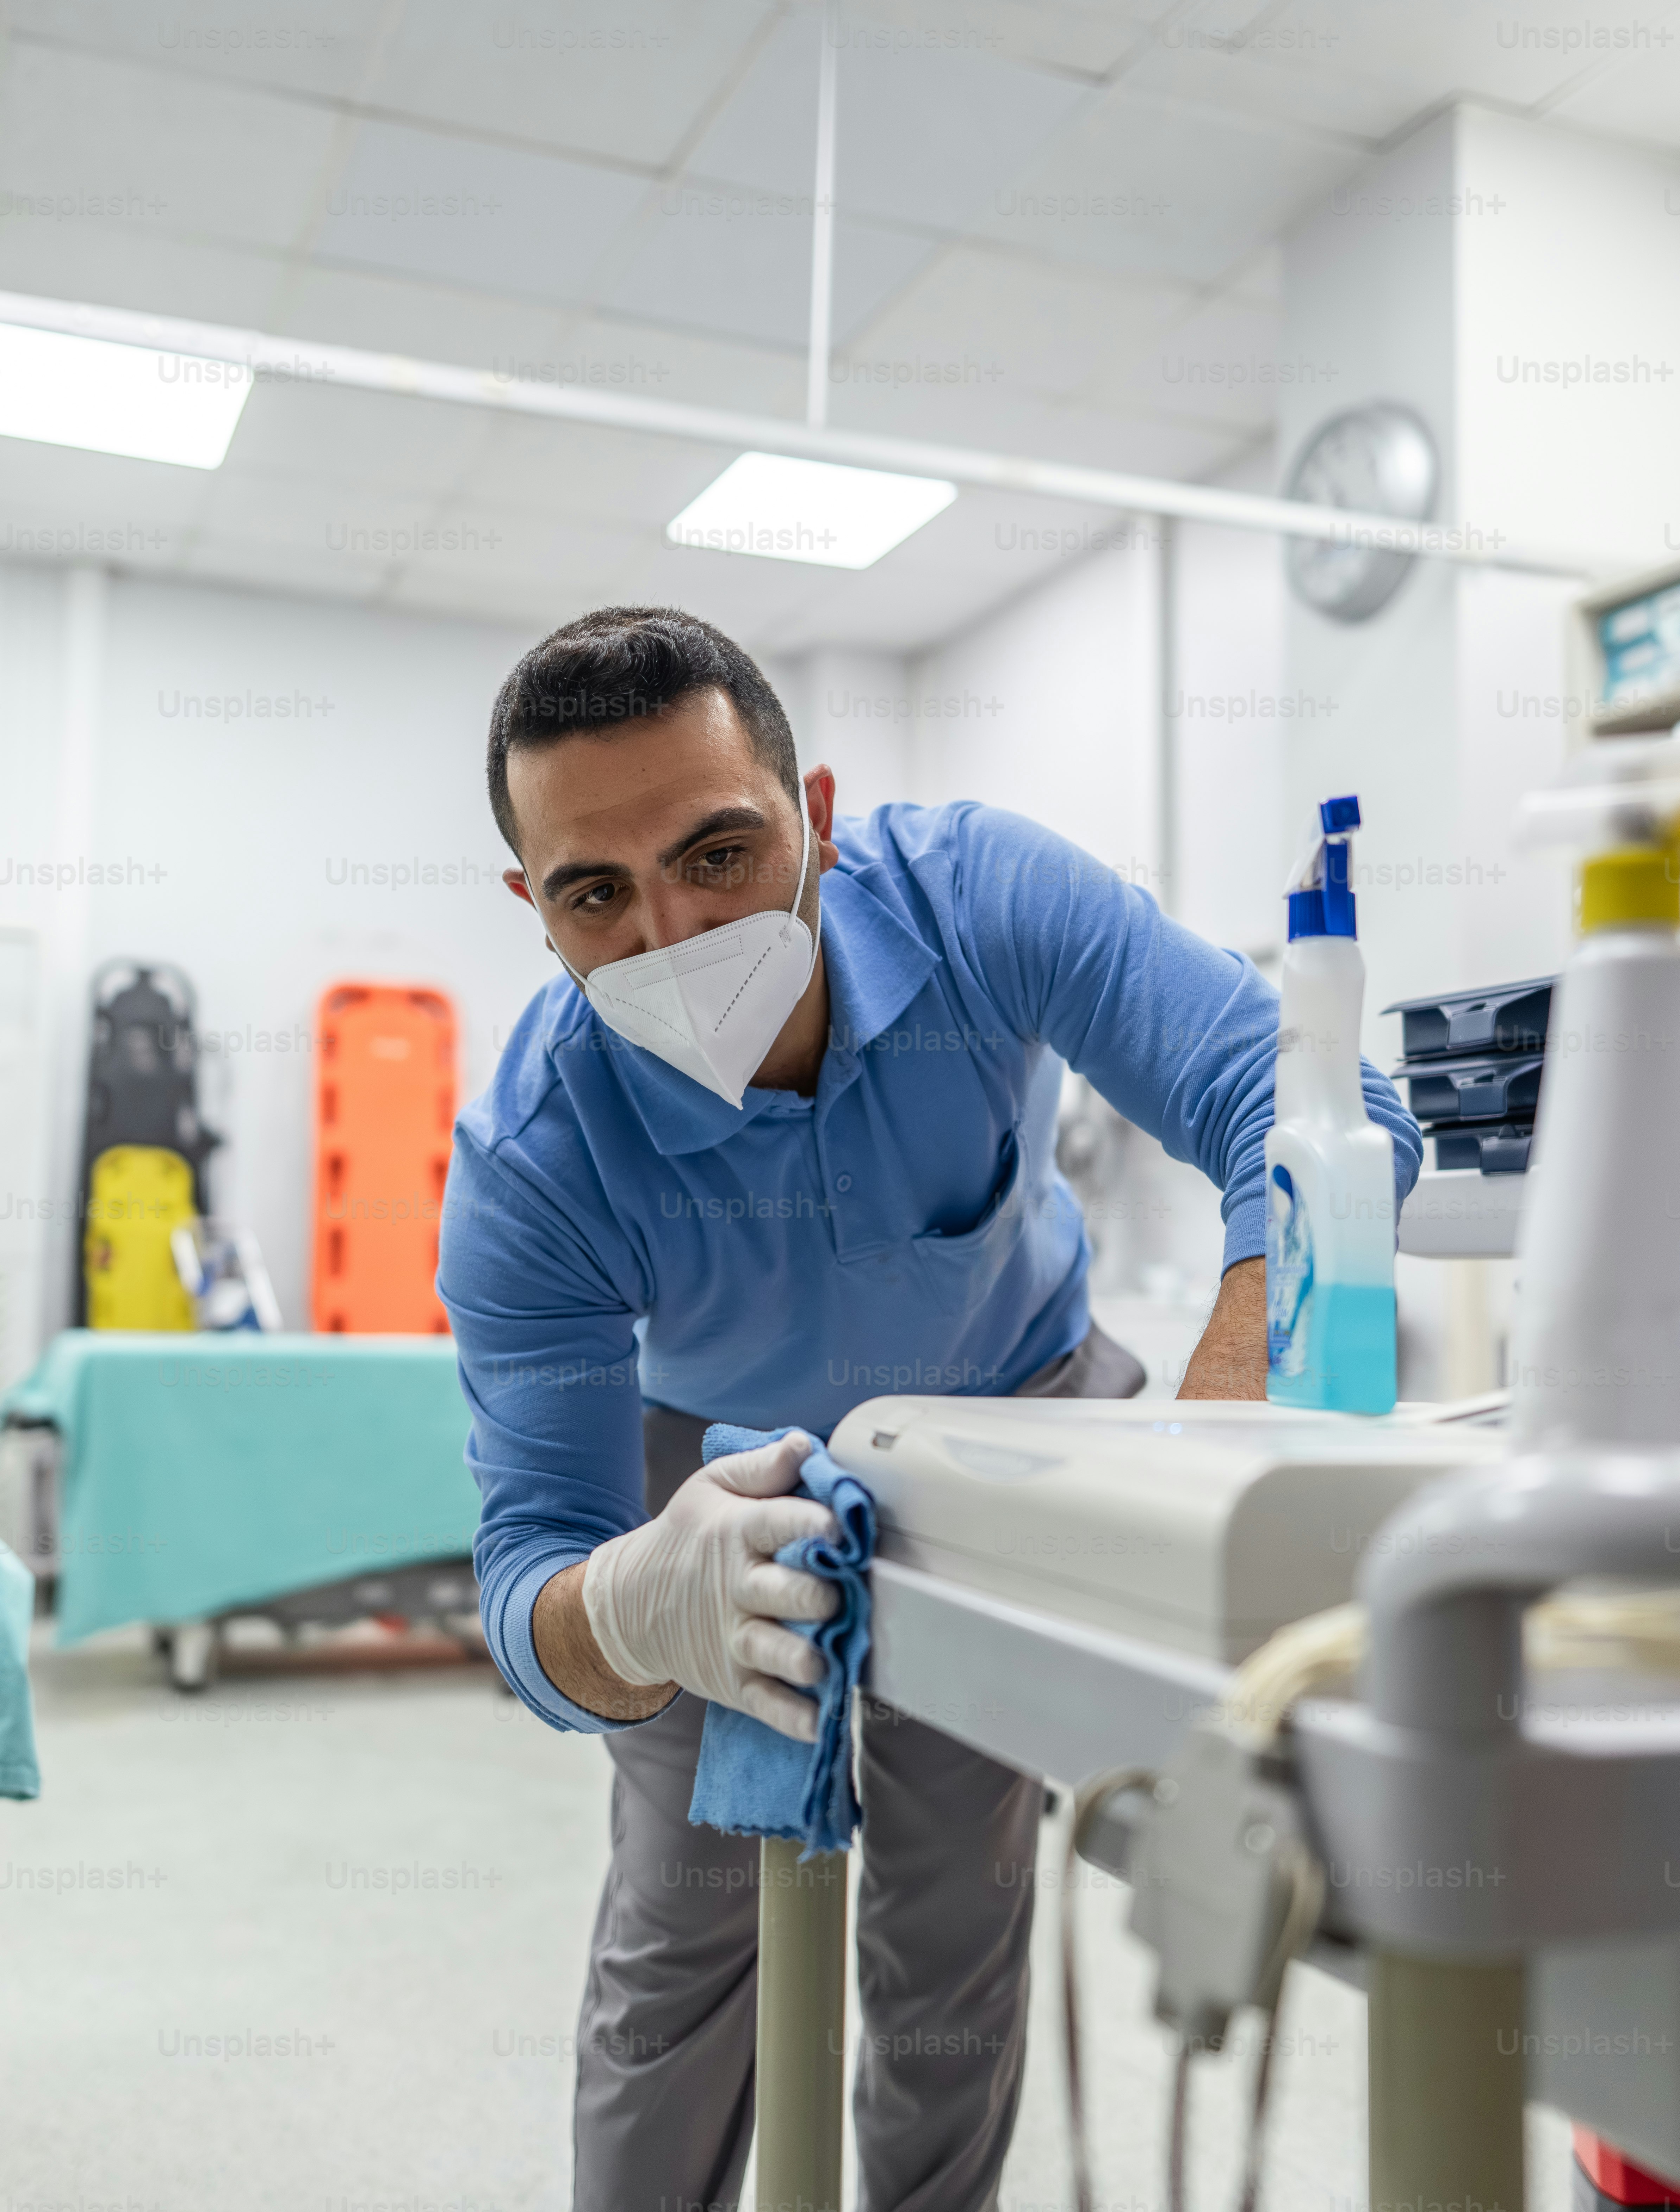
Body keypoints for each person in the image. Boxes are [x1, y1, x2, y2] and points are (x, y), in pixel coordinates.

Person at [438, 605, 1421, 2212]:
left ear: (817, 814)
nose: (672, 934)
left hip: (1010, 1418)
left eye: (722, 854)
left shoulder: (980, 898)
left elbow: (1312, 1113)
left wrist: (1218, 1442)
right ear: (530, 910)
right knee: (687, 1941)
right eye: (596, 895)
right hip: (715, 1488)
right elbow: (523, 1576)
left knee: (952, 1928)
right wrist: (630, 1605)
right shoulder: (534, 1160)